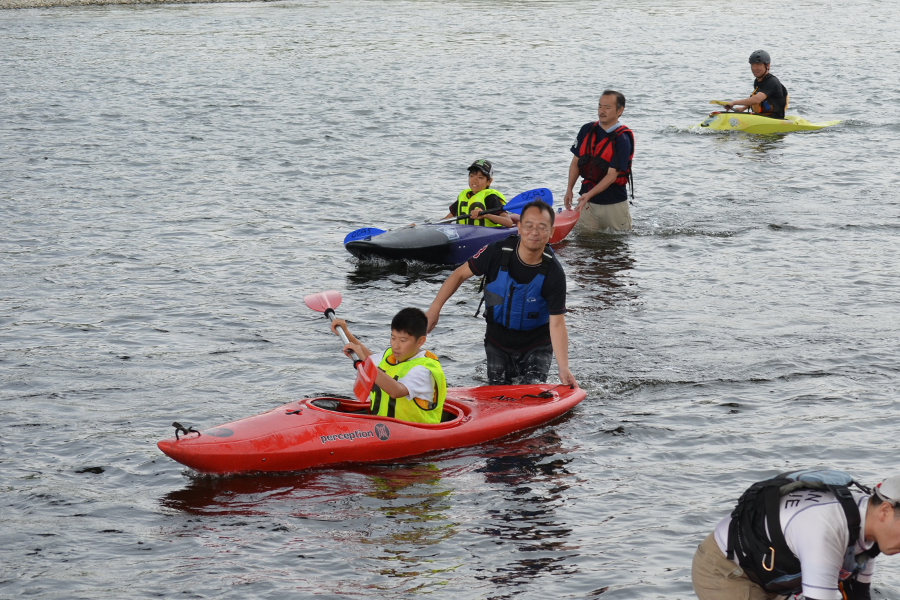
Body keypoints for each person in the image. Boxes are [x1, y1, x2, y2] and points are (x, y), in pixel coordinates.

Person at [425, 199, 577, 386]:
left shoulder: (554, 273)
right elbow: (459, 274)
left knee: (532, 388)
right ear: (519, 227)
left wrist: (564, 367)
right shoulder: (496, 252)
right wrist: (435, 308)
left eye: (542, 227)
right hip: (497, 341)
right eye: (529, 226)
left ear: (551, 232)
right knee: (497, 389)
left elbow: (557, 324)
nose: (534, 232)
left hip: (537, 344)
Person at [692, 470, 900, 600]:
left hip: (772, 570)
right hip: (725, 569)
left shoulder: (871, 530)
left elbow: (858, 594)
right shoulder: (826, 528)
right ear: (885, 511)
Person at [330, 307, 447, 424]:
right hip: (384, 428)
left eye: (403, 340)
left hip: (414, 432)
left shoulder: (423, 370)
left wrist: (364, 360)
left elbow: (396, 391)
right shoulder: (391, 355)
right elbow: (369, 359)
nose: (396, 346)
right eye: (393, 338)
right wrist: (346, 333)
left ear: (420, 341)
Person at [563, 90, 634, 232]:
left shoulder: (622, 139)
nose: (602, 111)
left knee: (618, 247)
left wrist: (588, 194)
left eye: (607, 107)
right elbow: (576, 162)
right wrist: (569, 189)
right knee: (584, 244)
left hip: (613, 203)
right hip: (587, 202)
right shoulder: (586, 130)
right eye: (600, 106)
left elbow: (612, 175)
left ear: (620, 110)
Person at [444, 159, 513, 228]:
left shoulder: (490, 197)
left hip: (486, 236)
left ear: (489, 181)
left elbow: (508, 222)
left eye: (480, 177)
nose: (475, 180)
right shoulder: (464, 196)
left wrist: (485, 215)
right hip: (464, 235)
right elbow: (447, 219)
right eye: (472, 176)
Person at [723, 50, 789, 119]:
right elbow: (761, 100)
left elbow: (756, 99)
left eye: (758, 64)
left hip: (774, 119)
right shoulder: (758, 81)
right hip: (763, 117)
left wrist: (733, 102)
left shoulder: (772, 81)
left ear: (768, 65)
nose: (754, 68)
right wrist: (744, 108)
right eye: (752, 65)